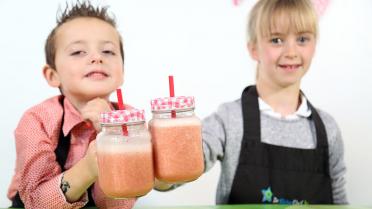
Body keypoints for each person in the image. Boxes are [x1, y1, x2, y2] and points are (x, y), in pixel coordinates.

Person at [156, 0, 347, 205]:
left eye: (302, 39)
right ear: (253, 48)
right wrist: (156, 162)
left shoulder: (328, 129)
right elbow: (178, 169)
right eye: (276, 40)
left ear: (314, 46)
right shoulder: (230, 119)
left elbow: (339, 202)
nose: (291, 51)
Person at [7, 1, 135, 208]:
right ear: (53, 75)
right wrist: (89, 168)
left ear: (122, 71)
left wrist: (111, 133)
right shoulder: (36, 121)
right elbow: (37, 201)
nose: (96, 58)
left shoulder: (132, 121)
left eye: (108, 52)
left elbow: (119, 205)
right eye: (78, 52)